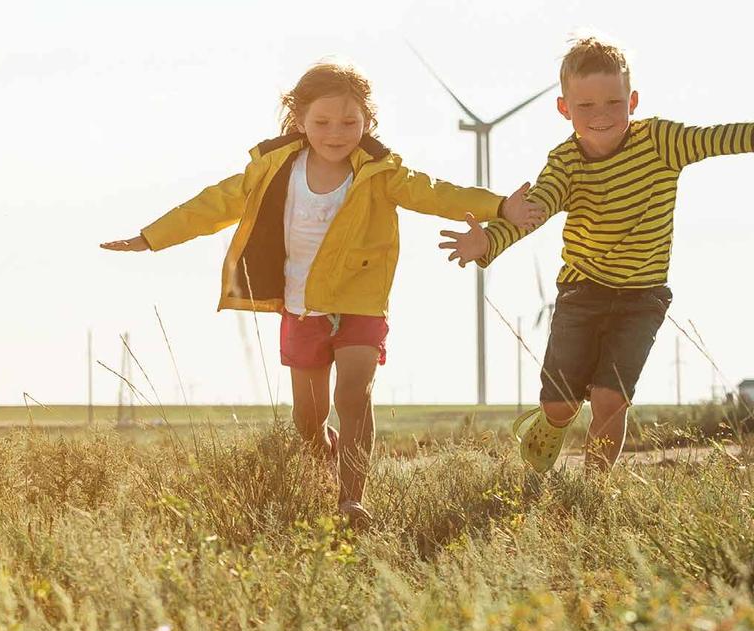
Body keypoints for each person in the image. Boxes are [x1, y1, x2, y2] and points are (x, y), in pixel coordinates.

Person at [102, 61, 543, 527]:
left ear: (368, 122)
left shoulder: (380, 173)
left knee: (353, 396)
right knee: (308, 421)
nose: (337, 133)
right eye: (324, 123)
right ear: (300, 122)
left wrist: (499, 206)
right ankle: (328, 460)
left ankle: (351, 499)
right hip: (301, 307)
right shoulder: (272, 169)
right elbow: (212, 205)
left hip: (361, 304)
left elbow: (435, 193)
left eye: (350, 123)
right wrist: (151, 237)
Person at [439, 36, 754, 473]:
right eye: (585, 106)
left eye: (613, 102)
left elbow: (720, 138)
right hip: (582, 292)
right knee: (560, 404)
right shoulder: (566, 162)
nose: (601, 115)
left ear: (633, 100)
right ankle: (548, 427)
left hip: (642, 298)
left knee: (611, 398)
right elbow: (538, 207)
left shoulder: (662, 141)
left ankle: (594, 486)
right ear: (564, 109)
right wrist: (489, 240)